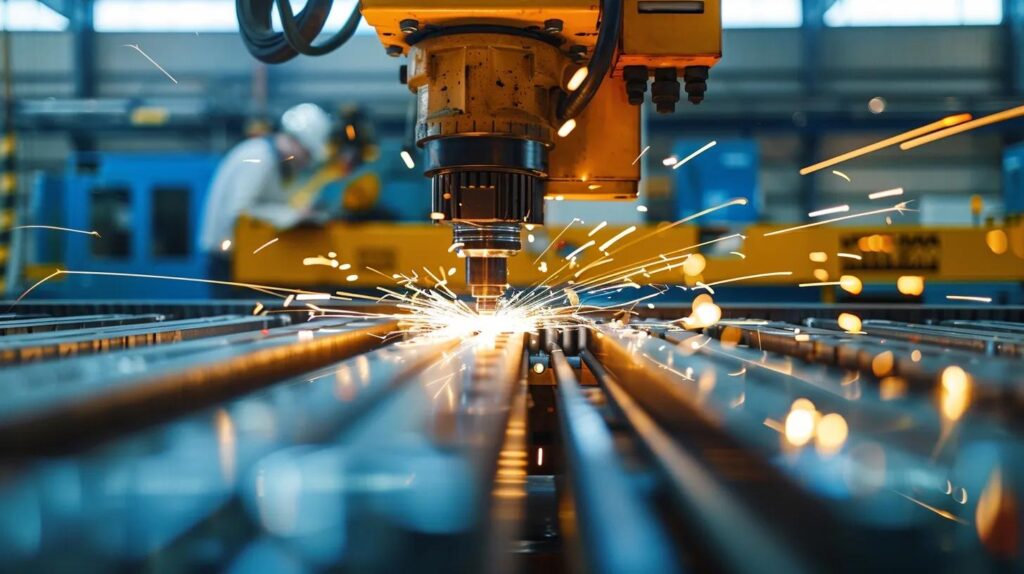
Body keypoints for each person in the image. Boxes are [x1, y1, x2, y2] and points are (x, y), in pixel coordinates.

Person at [199, 103, 332, 283]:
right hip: (228, 261)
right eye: (306, 154)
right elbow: (239, 212)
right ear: (295, 142)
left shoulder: (278, 164)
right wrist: (291, 215)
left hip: (246, 258)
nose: (305, 162)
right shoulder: (258, 157)